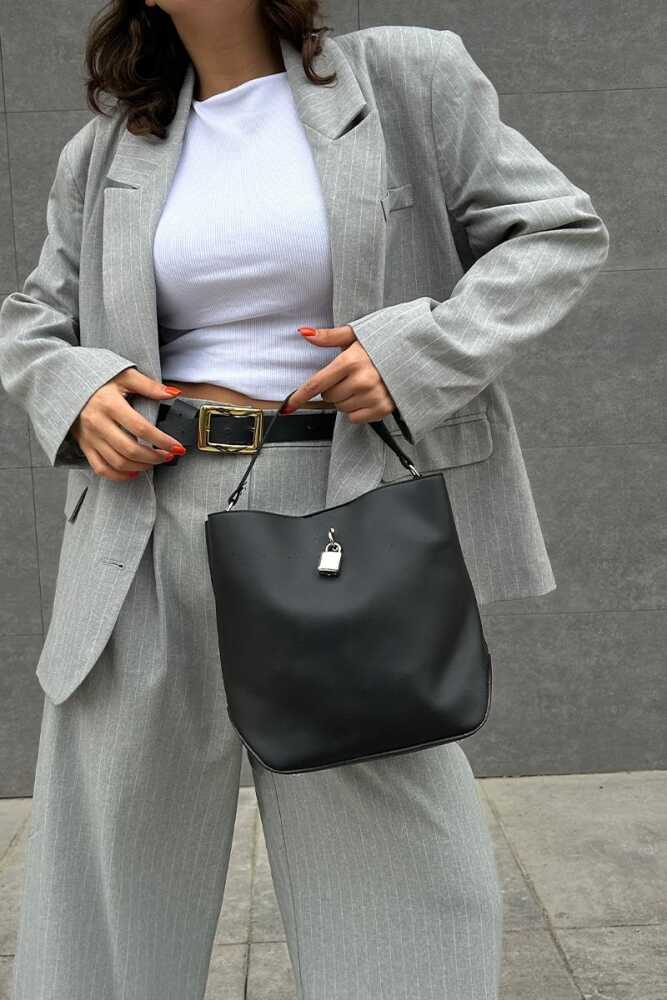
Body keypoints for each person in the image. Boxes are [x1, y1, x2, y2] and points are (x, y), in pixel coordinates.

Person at [0, 2, 609, 998]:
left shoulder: (404, 78)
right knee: (107, 873)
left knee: (401, 876)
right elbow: (34, 317)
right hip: (141, 518)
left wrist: (417, 352)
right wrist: (76, 389)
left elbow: (555, 230)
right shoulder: (108, 147)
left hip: (336, 504)